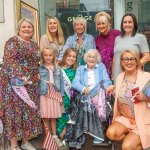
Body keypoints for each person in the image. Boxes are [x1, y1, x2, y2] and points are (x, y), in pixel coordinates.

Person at [0, 18, 42, 150]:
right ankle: (13, 145)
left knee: (27, 112)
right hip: (14, 84)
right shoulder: (13, 42)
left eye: (29, 27)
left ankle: (25, 141)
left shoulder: (34, 44)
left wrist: (35, 74)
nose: (26, 29)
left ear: (33, 30)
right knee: (14, 113)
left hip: (30, 83)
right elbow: (10, 61)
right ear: (18, 29)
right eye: (24, 27)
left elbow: (35, 62)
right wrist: (21, 77)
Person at [65, 49, 113, 149]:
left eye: (94, 57)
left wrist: (104, 88)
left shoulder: (101, 67)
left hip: (98, 93)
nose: (91, 59)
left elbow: (107, 81)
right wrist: (83, 88)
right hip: (85, 94)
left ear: (97, 59)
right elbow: (75, 83)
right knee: (86, 101)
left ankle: (96, 133)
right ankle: (88, 130)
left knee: (96, 101)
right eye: (89, 57)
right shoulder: (80, 68)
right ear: (86, 59)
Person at [106, 50, 150, 150]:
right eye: (125, 59)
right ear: (121, 62)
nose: (128, 62)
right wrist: (114, 87)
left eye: (131, 59)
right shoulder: (120, 77)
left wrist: (145, 98)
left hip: (142, 120)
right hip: (125, 119)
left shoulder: (147, 77)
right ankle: (132, 138)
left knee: (127, 147)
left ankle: (137, 143)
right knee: (111, 133)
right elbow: (123, 92)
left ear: (137, 61)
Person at [38, 48, 65, 147]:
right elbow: (37, 83)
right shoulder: (39, 68)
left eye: (50, 55)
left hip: (55, 95)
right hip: (44, 95)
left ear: (53, 56)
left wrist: (61, 95)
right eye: (46, 55)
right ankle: (48, 137)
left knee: (53, 117)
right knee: (46, 117)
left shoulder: (58, 68)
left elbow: (61, 83)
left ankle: (54, 136)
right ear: (42, 56)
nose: (48, 57)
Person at [114, 13, 150, 81]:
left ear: (134, 24)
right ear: (122, 24)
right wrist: (113, 75)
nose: (127, 24)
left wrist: (135, 66)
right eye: (125, 22)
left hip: (133, 75)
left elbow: (147, 56)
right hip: (118, 75)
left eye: (130, 22)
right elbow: (115, 58)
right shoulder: (117, 39)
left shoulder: (140, 37)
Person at [56, 48, 78, 143]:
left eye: (74, 57)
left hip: (71, 103)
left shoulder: (76, 71)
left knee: (68, 129)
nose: (71, 58)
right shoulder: (58, 69)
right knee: (60, 131)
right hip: (60, 101)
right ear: (65, 57)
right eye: (69, 56)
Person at [94, 11, 121, 78]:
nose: (101, 26)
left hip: (119, 70)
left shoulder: (117, 34)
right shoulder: (96, 40)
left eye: (103, 23)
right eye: (98, 24)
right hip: (104, 74)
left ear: (109, 23)